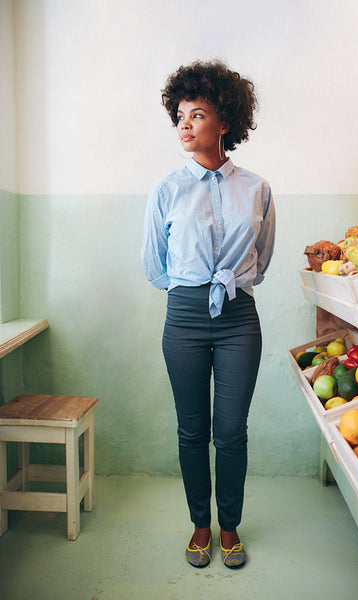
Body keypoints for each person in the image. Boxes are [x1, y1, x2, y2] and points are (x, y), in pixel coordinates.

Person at [140, 59, 275, 569]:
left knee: (232, 431)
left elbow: (259, 259)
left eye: (197, 114)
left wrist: (229, 286)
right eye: (180, 114)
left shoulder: (257, 188)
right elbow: (155, 265)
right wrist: (192, 293)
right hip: (185, 318)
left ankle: (230, 526)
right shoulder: (166, 190)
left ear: (225, 123)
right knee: (192, 430)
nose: (185, 123)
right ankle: (201, 525)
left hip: (240, 318)